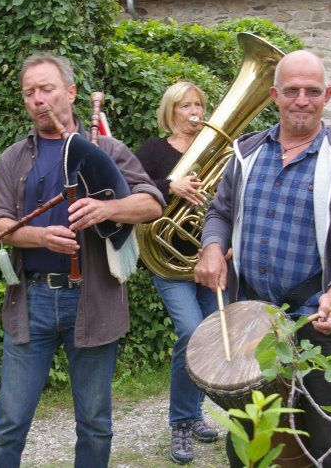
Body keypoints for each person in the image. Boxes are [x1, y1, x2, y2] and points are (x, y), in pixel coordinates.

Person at [194, 50, 331, 467]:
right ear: (275, 95)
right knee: (250, 444)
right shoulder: (246, 153)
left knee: (329, 446)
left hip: (315, 318)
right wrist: (211, 246)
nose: (302, 100)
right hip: (252, 322)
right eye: (292, 90)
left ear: (327, 95)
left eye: (312, 91)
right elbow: (220, 212)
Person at [0, 52, 164, 467]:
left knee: (96, 423)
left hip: (94, 300)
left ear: (71, 92)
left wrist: (107, 210)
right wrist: (39, 237)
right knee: (9, 422)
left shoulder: (106, 149)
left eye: (46, 89)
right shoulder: (14, 156)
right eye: (29, 92)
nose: (38, 99)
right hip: (32, 302)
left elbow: (152, 202)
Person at [135, 82, 223, 464]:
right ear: (170, 110)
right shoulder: (153, 150)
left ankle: (194, 414)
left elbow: (229, 196)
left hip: (209, 257)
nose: (193, 111)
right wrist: (171, 185)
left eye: (198, 104)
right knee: (191, 333)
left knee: (206, 339)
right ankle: (182, 424)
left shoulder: (214, 148)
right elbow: (131, 192)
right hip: (169, 261)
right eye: (184, 104)